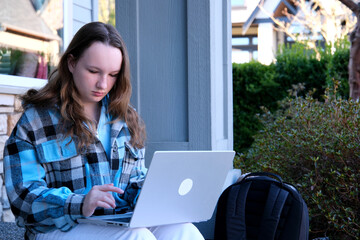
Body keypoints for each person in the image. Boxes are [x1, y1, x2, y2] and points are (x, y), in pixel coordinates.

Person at [3, 22, 204, 240]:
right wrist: (80, 203)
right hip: (57, 228)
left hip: (114, 219)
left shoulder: (126, 117)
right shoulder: (35, 120)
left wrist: (152, 194)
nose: (103, 84)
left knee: (184, 230)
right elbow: (22, 197)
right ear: (71, 63)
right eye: (93, 71)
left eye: (113, 74)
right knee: (137, 237)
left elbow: (134, 179)